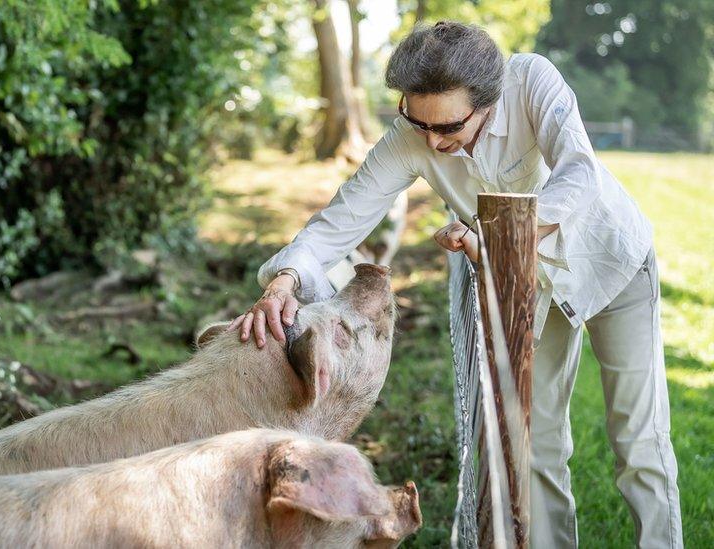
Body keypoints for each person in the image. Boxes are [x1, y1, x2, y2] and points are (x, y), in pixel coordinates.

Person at [228, 21, 682, 548]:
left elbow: (580, 171)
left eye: (448, 128)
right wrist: (283, 280)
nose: (432, 142)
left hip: (612, 261)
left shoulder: (533, 80)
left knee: (638, 439)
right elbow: (342, 219)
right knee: (536, 445)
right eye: (417, 123)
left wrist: (495, 233)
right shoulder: (417, 133)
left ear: (488, 100)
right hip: (526, 286)